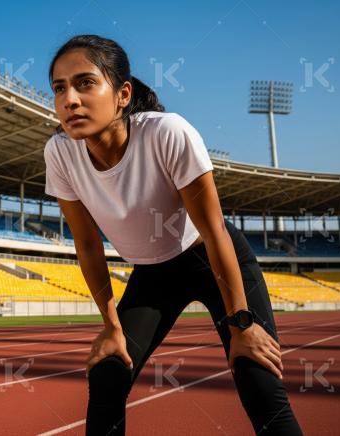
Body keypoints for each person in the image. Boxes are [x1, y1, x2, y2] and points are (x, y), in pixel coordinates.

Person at [44, 34, 303, 435]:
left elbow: (214, 231)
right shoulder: (60, 153)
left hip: (210, 258)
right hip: (153, 274)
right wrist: (111, 328)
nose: (70, 100)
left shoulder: (167, 133)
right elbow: (88, 244)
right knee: (108, 373)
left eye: (85, 83)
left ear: (123, 94)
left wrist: (242, 323)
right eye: (59, 88)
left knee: (256, 375)